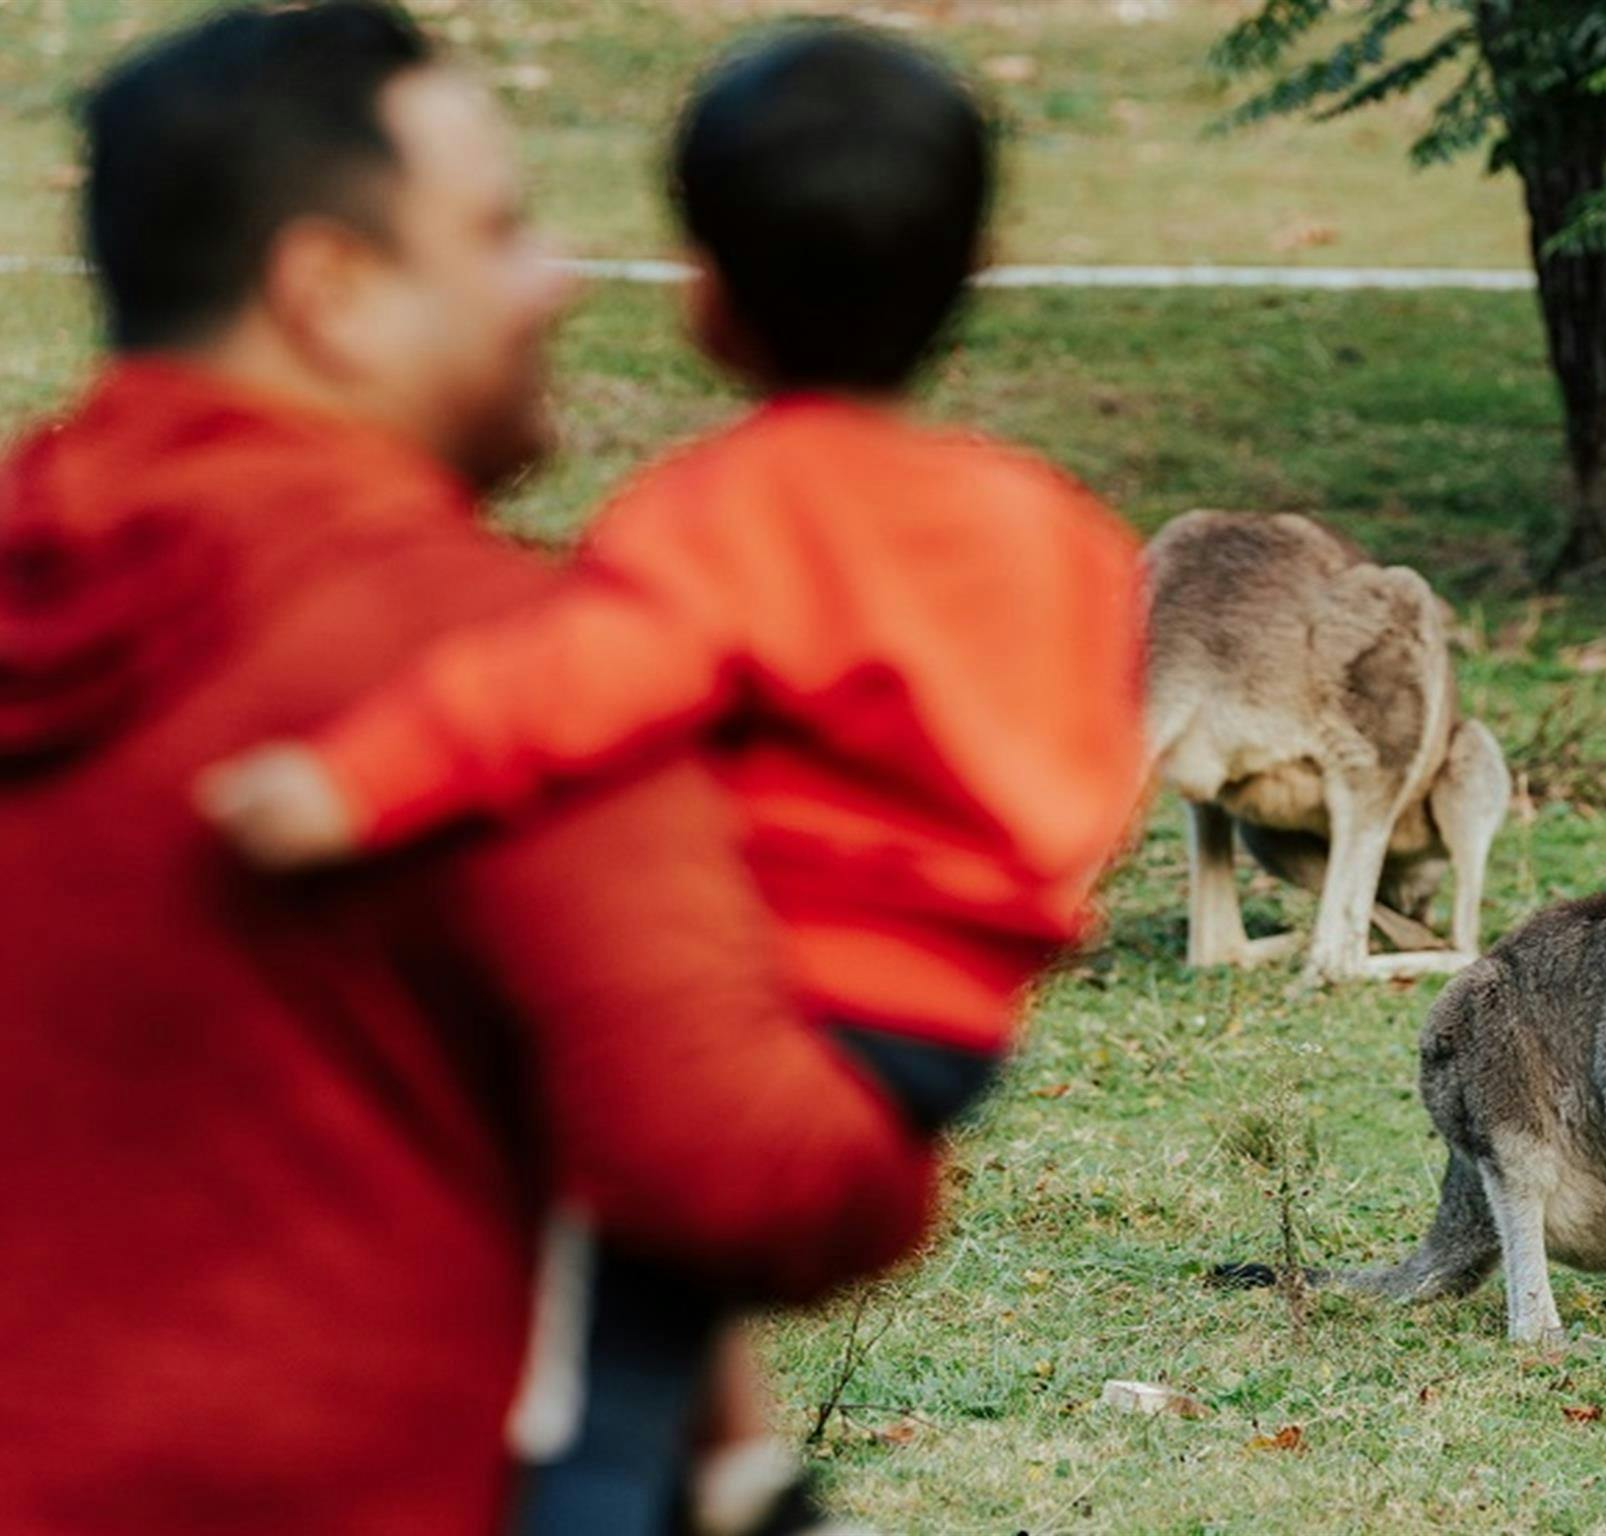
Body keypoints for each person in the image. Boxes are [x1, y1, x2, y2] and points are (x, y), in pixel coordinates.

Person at [198, 20, 1149, 1536]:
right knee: (663, 1282)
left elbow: (564, 690)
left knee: (579, 1343)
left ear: (703, 298)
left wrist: (345, 788)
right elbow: (1097, 761)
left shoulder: (716, 517)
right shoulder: (1057, 530)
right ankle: (743, 1480)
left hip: (771, 1005)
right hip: (958, 1030)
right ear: (978, 275)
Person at [0, 8, 936, 1536]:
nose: (555, 280)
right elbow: (750, 1181)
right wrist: (922, 1010)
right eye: (497, 231)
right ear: (331, 292)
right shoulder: (494, 668)